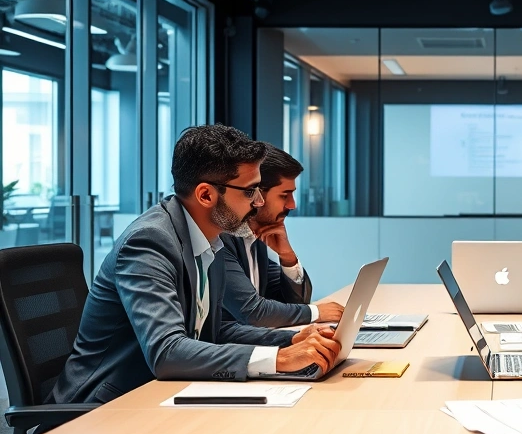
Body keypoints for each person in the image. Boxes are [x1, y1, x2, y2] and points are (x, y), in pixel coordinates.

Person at [49, 125, 341, 405]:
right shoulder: (149, 242)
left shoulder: (209, 239)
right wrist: (278, 359)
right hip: (106, 408)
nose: (259, 201)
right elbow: (167, 351)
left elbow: (217, 330)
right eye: (250, 191)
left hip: (164, 394)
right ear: (205, 195)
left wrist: (290, 340)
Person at [219, 144, 344, 328]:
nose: (292, 205)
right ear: (255, 193)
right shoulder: (220, 239)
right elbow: (253, 312)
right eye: (285, 195)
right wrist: (316, 312)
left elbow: (293, 302)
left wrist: (287, 257)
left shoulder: (256, 237)